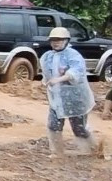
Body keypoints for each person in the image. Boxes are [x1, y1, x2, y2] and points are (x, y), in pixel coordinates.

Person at [40, 26, 102, 158]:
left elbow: (76, 72)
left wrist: (60, 79)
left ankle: (93, 150)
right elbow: (46, 74)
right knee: (53, 125)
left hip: (75, 99)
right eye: (53, 40)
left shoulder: (73, 55)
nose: (56, 42)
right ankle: (57, 152)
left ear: (66, 40)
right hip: (56, 98)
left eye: (59, 40)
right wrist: (47, 82)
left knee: (79, 128)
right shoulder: (47, 57)